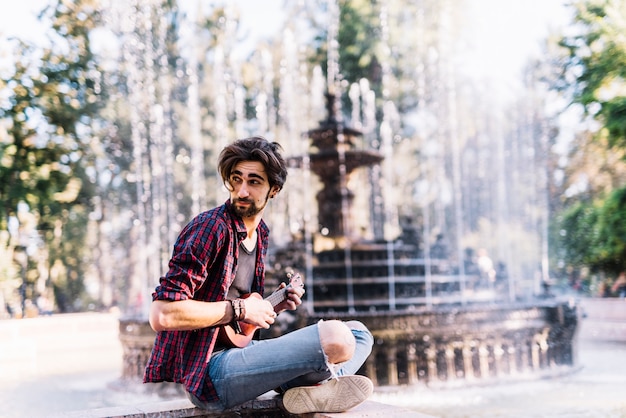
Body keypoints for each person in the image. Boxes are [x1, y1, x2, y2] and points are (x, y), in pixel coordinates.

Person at [143, 136, 374, 414]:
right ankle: (321, 387)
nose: (241, 191)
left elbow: (239, 326)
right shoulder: (210, 228)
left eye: (254, 182)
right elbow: (162, 315)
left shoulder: (260, 233)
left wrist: (275, 302)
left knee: (359, 332)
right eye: (236, 179)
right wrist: (241, 309)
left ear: (273, 189)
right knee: (337, 336)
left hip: (242, 356)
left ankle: (308, 392)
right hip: (210, 375)